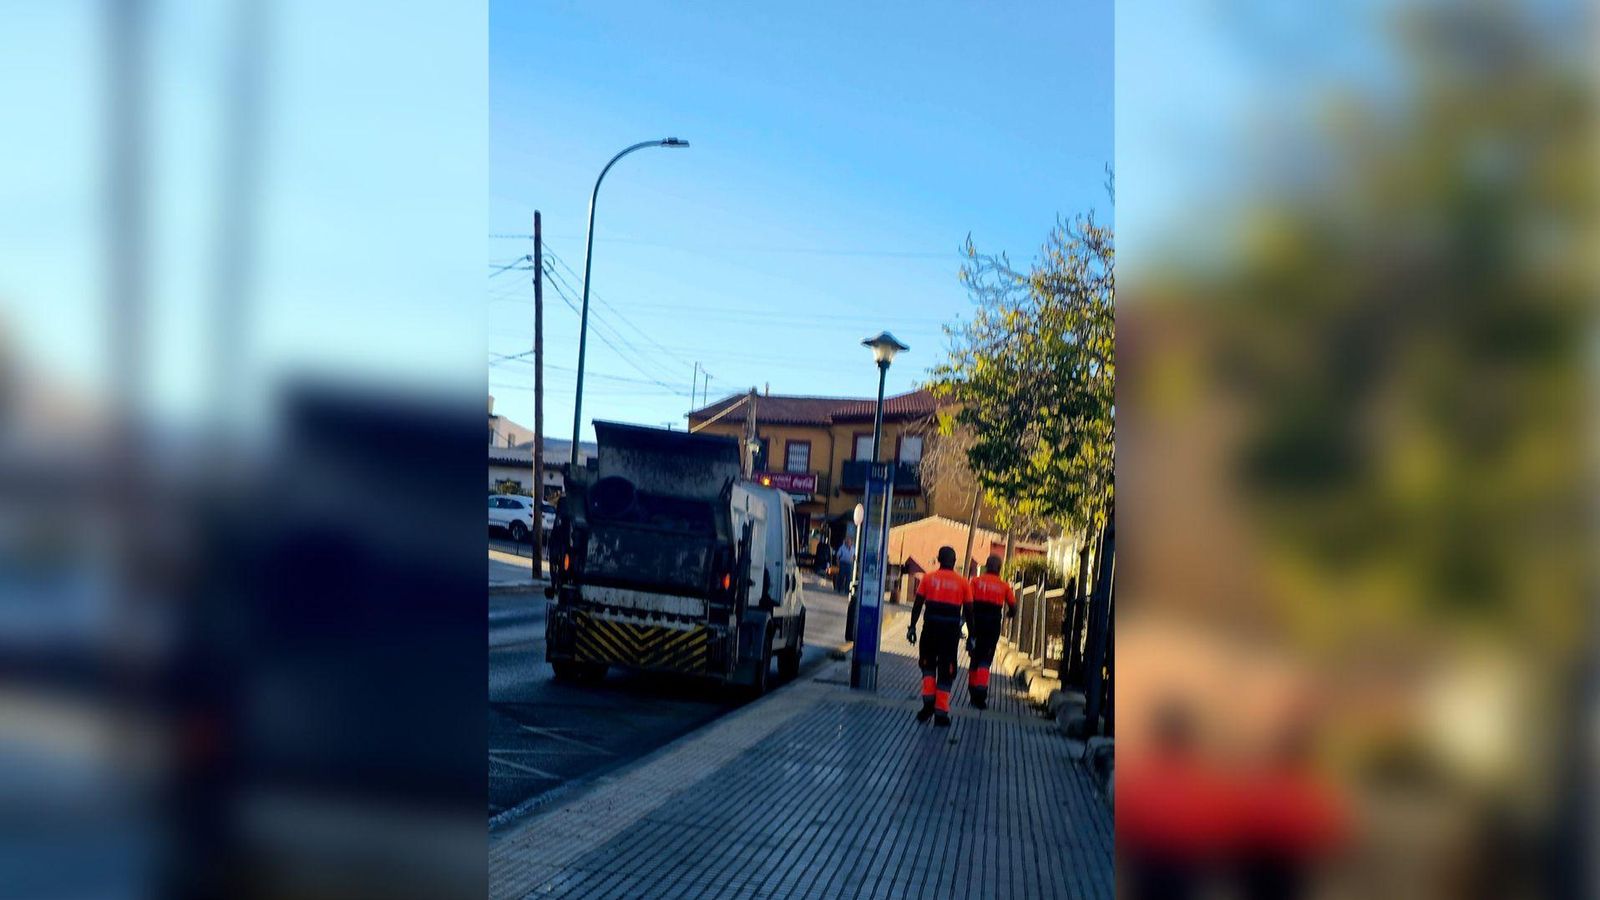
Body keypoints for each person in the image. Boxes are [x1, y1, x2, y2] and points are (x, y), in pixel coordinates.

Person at [906, 546, 970, 727]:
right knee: (946, 671)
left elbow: (917, 604)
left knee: (928, 668)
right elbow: (969, 611)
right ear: (954, 561)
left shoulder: (928, 579)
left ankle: (928, 705)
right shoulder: (963, 583)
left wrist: (912, 627)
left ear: (938, 560)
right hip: (949, 636)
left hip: (930, 632)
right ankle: (941, 713)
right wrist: (971, 636)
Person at [965, 554, 1016, 709]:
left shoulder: (975, 582)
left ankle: (972, 692)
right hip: (992, 627)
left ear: (986, 567)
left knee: (974, 659)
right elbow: (1013, 607)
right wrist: (1009, 614)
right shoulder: (1004, 586)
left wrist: (968, 624)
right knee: (985, 661)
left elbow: (968, 603)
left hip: (976, 625)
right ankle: (980, 696)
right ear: (999, 569)